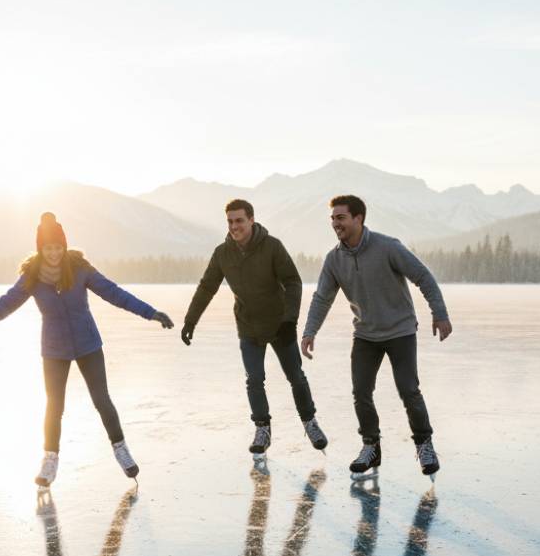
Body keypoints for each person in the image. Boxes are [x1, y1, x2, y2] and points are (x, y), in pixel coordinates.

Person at [0, 212, 173, 486]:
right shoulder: (31, 277)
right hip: (54, 349)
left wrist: (150, 312)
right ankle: (50, 460)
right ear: (41, 248)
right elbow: (2, 307)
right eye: (48, 248)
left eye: (58, 247)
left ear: (64, 246)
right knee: (54, 406)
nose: (54, 253)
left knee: (102, 400)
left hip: (88, 344)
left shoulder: (80, 269)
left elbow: (114, 293)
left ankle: (121, 449)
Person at [301, 195, 451, 476]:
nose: (335, 223)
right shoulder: (334, 259)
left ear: (358, 218)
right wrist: (310, 331)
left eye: (341, 217)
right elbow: (322, 298)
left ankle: (424, 444)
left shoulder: (387, 247)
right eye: (332, 218)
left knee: (408, 389)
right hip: (365, 335)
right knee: (361, 392)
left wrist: (439, 313)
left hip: (400, 331)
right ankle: (371, 447)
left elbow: (423, 276)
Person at [181, 198, 328, 455]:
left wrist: (290, 320)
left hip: (280, 324)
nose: (234, 226)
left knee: (296, 376)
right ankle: (262, 429)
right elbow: (207, 287)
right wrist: (191, 319)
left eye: (239, 220)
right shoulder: (222, 253)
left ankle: (310, 422)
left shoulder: (272, 247)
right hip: (248, 326)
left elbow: (293, 282)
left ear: (251, 219)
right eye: (230, 221)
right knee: (254, 379)